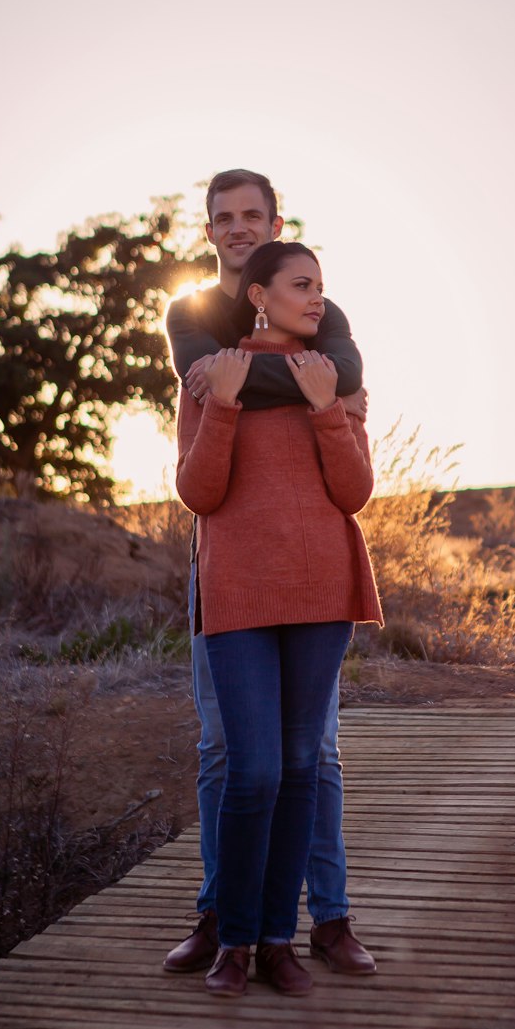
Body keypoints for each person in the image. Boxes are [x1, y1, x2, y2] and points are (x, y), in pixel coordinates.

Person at [163, 170, 377, 975]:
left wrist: (269, 384)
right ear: (211, 230)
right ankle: (225, 919)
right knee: (228, 753)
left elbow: (346, 378)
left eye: (254, 214)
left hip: (313, 569)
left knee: (309, 756)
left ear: (276, 220)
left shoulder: (323, 311)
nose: (239, 226)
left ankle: (325, 919)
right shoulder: (190, 312)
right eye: (225, 217)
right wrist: (244, 387)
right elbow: (206, 401)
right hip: (225, 559)